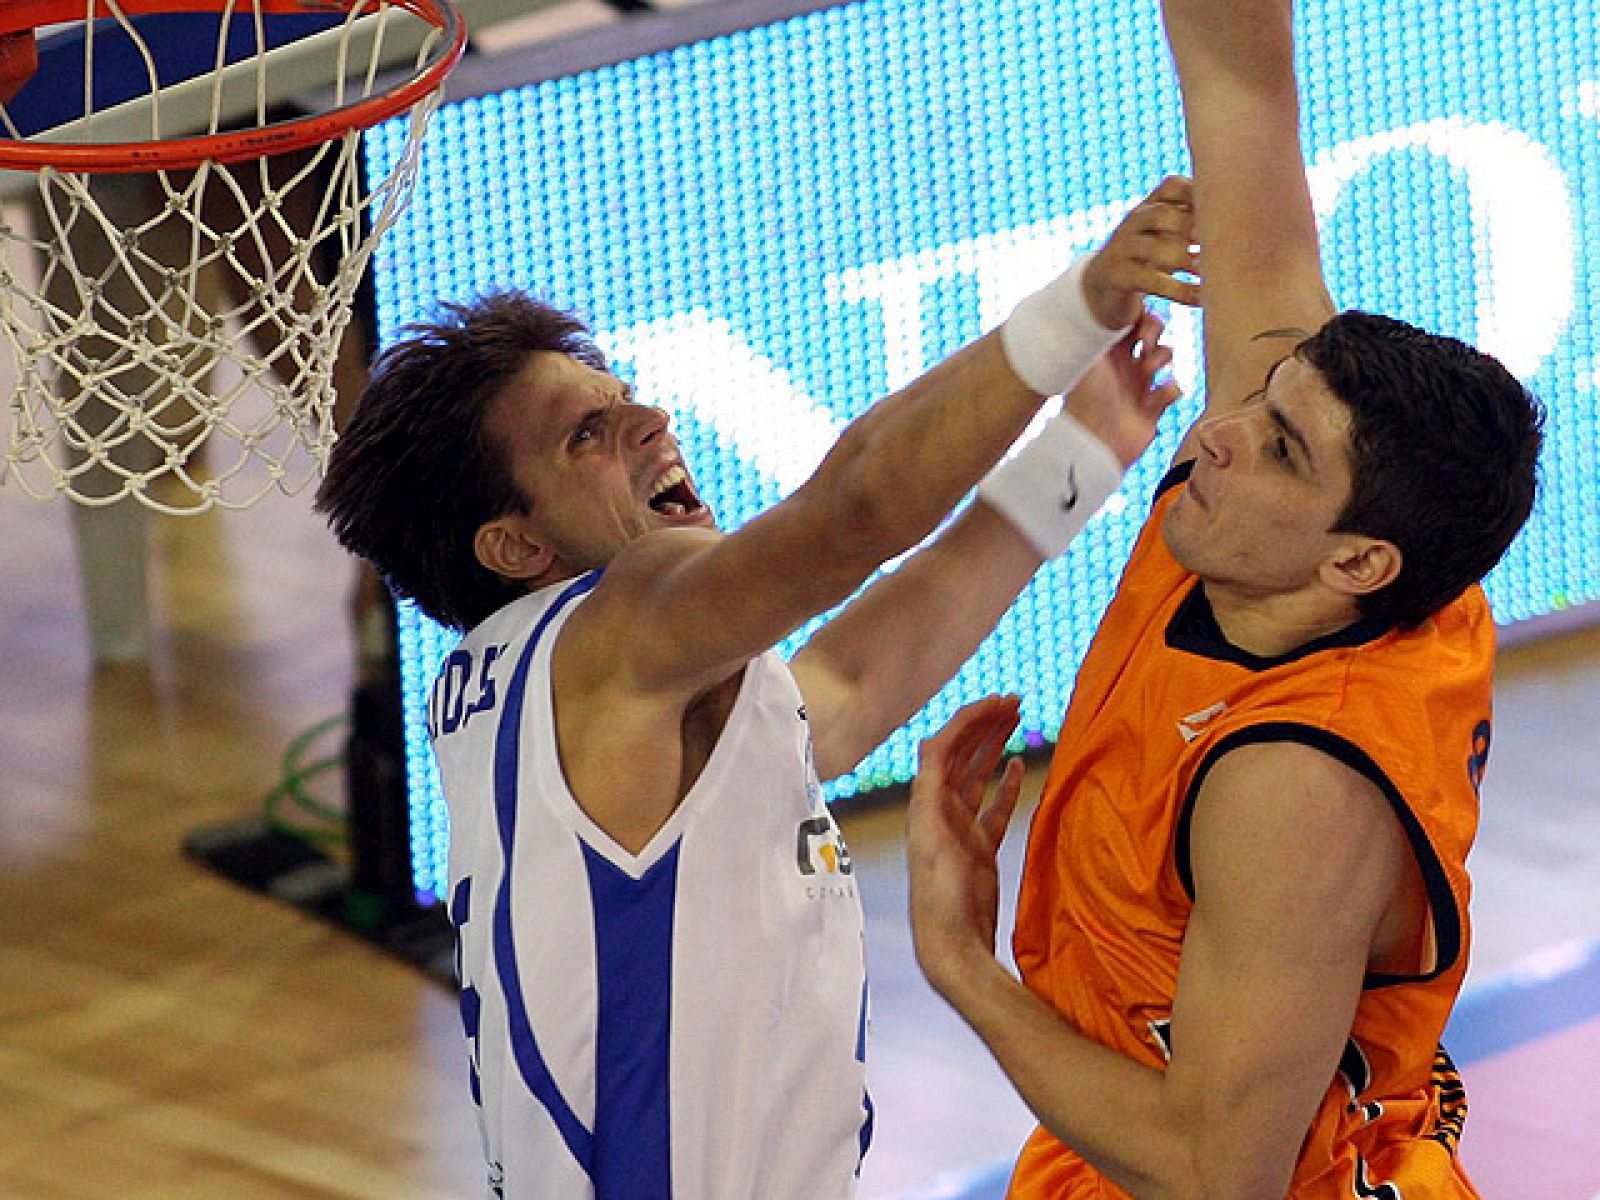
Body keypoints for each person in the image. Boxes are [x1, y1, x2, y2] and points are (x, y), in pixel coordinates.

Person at [313, 179, 1198, 1198]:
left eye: (624, 395)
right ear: (516, 544)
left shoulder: (541, 690)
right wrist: (1078, 306)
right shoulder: (614, 625)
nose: (650, 420)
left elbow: (851, 681)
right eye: (585, 436)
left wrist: (1082, 453)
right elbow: (854, 511)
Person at [904, 3, 1543, 1198]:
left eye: (1281, 443)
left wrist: (958, 963)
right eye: (1263, 397)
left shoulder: (1295, 788)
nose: (1215, 429)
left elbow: (1216, 1174)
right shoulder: (1346, 531)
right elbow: (1240, 87)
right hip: (1117, 1133)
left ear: (1357, 564)